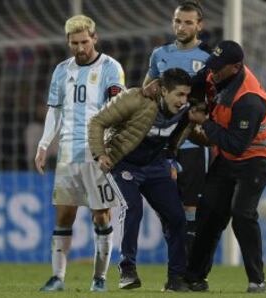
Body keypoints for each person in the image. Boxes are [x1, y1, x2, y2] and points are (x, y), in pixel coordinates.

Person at [34, 15, 125, 292]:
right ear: (68, 42)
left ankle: (99, 279)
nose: (80, 48)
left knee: (101, 216)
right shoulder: (61, 70)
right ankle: (57, 278)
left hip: (97, 153)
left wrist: (108, 148)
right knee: (63, 216)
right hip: (67, 154)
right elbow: (55, 110)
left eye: (85, 41)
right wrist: (43, 144)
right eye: (74, 43)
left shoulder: (111, 67)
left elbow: (117, 108)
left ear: (94, 38)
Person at [185, 40, 266, 293]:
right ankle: (193, 279)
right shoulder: (215, 72)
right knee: (210, 213)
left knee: (242, 213)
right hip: (230, 156)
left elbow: (236, 144)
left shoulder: (249, 100)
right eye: (211, 65)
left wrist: (205, 121)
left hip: (257, 157)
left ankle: (257, 281)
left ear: (236, 67)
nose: (211, 72)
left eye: (218, 68)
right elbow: (194, 82)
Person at [88, 68, 192, 292]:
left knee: (176, 217)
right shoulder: (134, 98)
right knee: (132, 208)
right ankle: (127, 270)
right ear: (163, 91)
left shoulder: (186, 111)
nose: (183, 101)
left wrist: (171, 159)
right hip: (123, 163)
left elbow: (177, 136)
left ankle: (175, 278)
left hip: (155, 167)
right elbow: (97, 122)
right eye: (179, 95)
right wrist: (100, 153)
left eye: (186, 95)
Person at [130, 0, 211, 286]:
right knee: (170, 214)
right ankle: (176, 274)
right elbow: (145, 93)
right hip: (160, 147)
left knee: (190, 212)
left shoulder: (209, 57)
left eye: (188, 22)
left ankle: (189, 275)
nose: (182, 27)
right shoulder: (160, 54)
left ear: (199, 25)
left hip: (191, 147)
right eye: (178, 21)